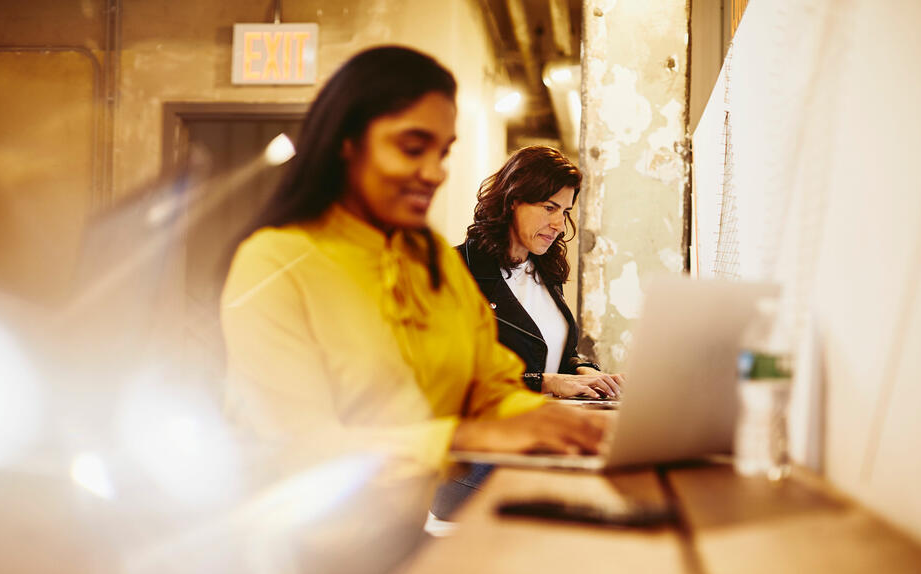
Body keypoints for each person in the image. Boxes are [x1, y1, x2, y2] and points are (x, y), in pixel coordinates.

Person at [221, 48, 610, 504]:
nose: (435, 172)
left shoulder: (431, 261)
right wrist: (463, 440)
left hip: (405, 531)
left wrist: (566, 424)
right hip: (299, 552)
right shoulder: (275, 262)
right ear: (346, 143)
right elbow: (296, 444)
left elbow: (488, 385)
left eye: (443, 152)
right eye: (412, 148)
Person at [459, 146, 625, 398]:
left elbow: (552, 351)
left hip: (541, 427)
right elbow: (452, 371)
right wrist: (545, 383)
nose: (559, 225)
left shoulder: (545, 271)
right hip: (485, 432)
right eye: (549, 208)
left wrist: (583, 371)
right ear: (513, 200)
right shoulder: (455, 269)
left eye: (565, 211)